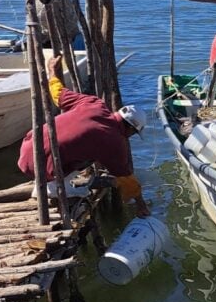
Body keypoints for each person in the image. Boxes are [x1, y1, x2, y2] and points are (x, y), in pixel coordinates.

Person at [18, 54, 150, 216]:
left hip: (28, 149)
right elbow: (126, 179)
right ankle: (53, 187)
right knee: (89, 161)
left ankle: (51, 182)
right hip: (42, 166)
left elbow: (58, 94)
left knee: (81, 149)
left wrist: (53, 71)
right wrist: (141, 205)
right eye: (134, 134)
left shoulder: (93, 103)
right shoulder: (114, 141)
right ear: (131, 129)